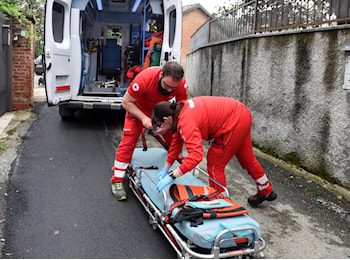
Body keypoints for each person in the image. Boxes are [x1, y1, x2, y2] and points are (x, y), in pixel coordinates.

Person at [151, 96, 277, 206]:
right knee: (247, 158)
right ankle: (265, 190)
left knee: (214, 163)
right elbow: (176, 143)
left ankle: (221, 202)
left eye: (159, 125)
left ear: (167, 119)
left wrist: (172, 176)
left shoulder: (186, 122)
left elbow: (196, 156)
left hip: (232, 122)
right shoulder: (180, 110)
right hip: (241, 113)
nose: (160, 129)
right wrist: (166, 168)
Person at [111, 61, 189, 201]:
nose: (169, 91)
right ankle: (117, 180)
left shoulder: (182, 86)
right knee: (128, 142)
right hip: (138, 109)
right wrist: (144, 119)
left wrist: (168, 125)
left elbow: (180, 109)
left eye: (173, 88)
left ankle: (182, 171)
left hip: (162, 112)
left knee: (175, 137)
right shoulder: (144, 79)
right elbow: (126, 102)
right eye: (166, 86)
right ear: (161, 75)